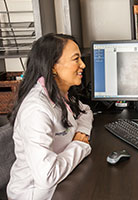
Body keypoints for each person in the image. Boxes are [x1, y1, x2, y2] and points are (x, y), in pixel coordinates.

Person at [6, 33, 93, 199]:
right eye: (76, 59)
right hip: (36, 194)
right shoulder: (36, 110)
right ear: (53, 66)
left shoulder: (60, 94)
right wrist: (79, 145)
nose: (82, 65)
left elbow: (86, 111)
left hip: (62, 182)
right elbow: (47, 176)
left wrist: (82, 133)